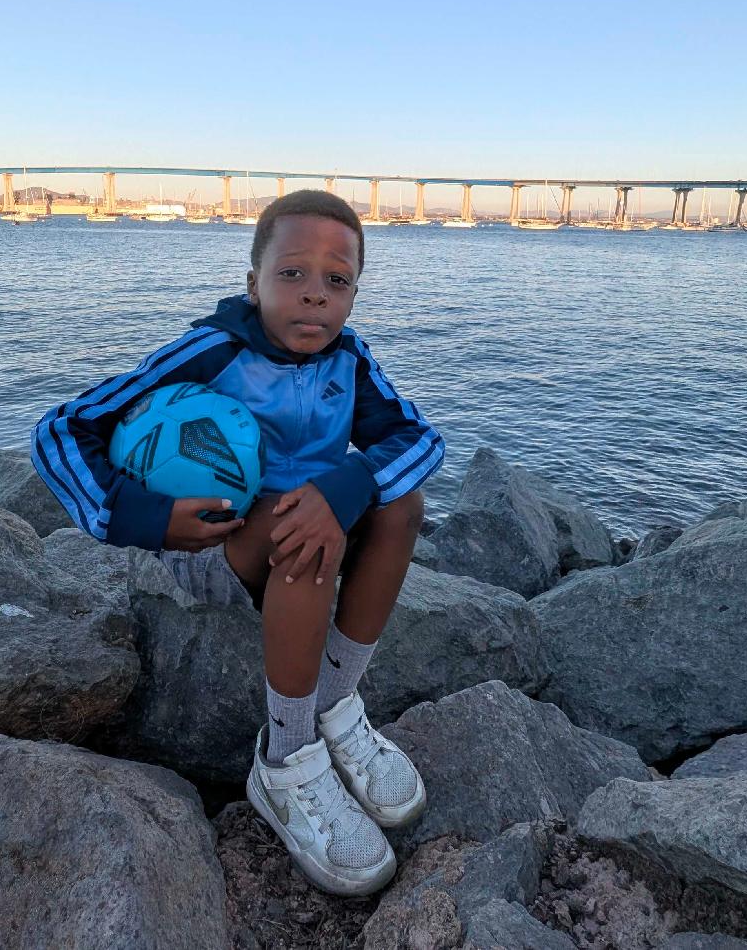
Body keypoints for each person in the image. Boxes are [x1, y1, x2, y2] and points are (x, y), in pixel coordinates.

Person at [31, 188, 444, 897]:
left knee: (401, 502)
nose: (314, 294)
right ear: (254, 284)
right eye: (292, 273)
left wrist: (349, 486)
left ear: (353, 296)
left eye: (337, 280)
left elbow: (421, 438)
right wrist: (148, 518)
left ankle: (335, 707)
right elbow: (61, 429)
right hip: (214, 552)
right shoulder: (212, 351)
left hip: (300, 534)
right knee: (298, 529)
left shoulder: (349, 361)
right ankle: (286, 760)